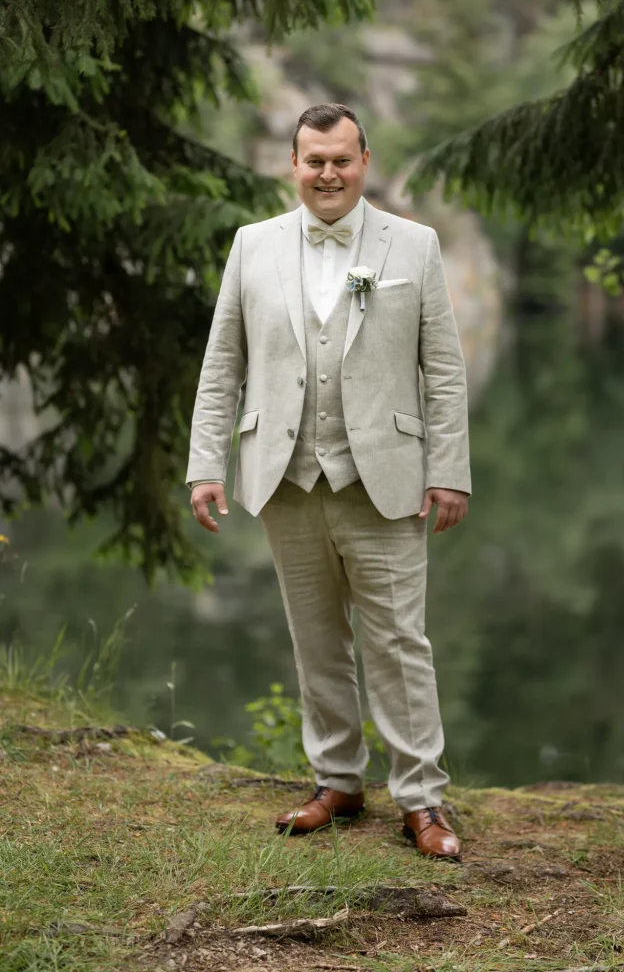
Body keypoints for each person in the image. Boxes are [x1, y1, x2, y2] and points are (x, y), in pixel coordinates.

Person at [187, 103, 471, 860]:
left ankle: (421, 798)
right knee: (315, 640)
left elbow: (441, 369)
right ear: (294, 165)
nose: (328, 173)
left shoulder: (413, 244)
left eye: (341, 159)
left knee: (399, 643)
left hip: (386, 477)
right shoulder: (253, 246)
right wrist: (206, 465)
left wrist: (449, 471)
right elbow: (223, 367)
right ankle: (338, 782)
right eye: (314, 160)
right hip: (284, 476)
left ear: (365, 161)